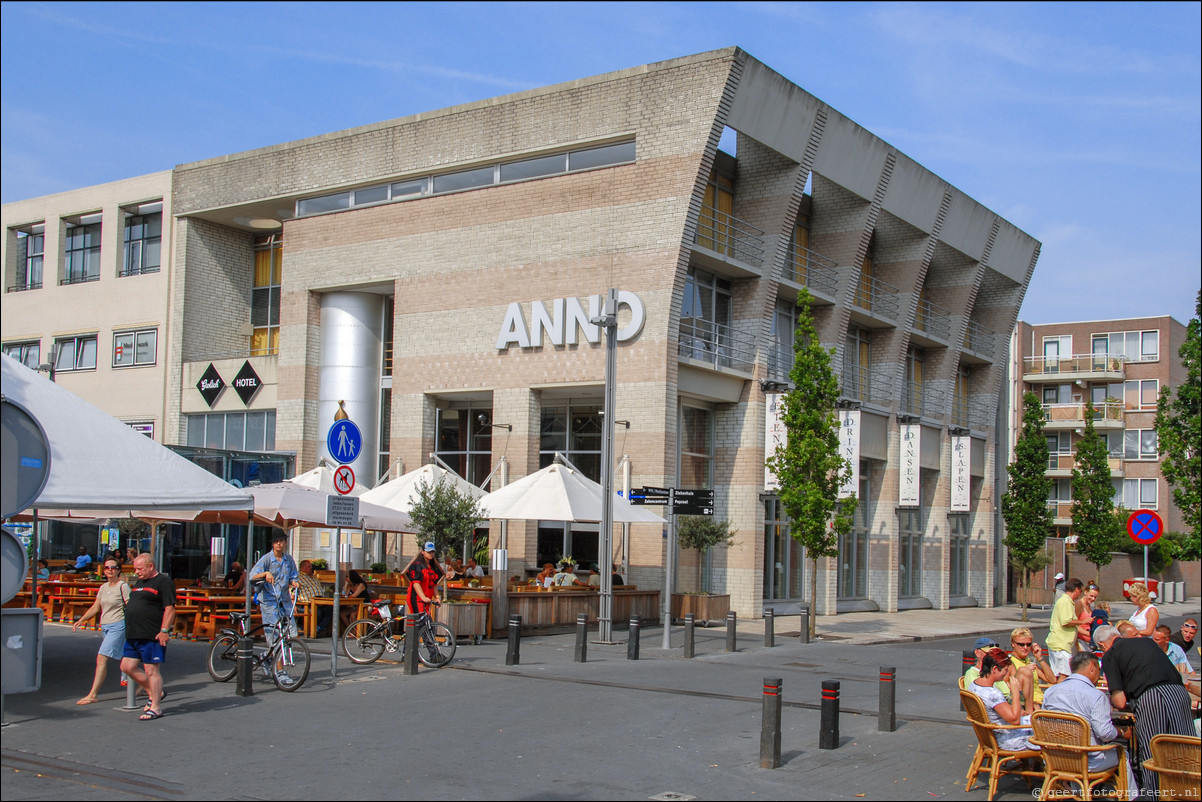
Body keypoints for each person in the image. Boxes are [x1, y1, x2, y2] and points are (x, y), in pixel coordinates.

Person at [1094, 623, 1194, 794]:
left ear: (1102, 645)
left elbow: (1119, 701)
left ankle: (1155, 795)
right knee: (1185, 749)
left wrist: (1107, 699)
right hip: (1179, 693)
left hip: (1151, 697)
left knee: (1153, 753)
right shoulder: (1147, 642)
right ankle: (1189, 792)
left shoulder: (1111, 655)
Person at [1041, 651, 1133, 778]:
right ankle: (1131, 797)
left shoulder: (1050, 692)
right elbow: (1104, 733)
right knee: (1123, 753)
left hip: (1054, 758)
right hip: (1087, 761)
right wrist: (1121, 731)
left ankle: (1078, 789)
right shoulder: (1095, 696)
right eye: (1098, 670)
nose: (1099, 675)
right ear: (1092, 666)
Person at [120, 554, 175, 721]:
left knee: (151, 669)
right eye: (135, 569)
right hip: (133, 633)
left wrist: (164, 630)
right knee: (126, 666)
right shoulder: (139, 583)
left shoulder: (163, 582)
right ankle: (154, 692)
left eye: (140, 569)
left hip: (151, 634)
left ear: (151, 566)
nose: (137, 572)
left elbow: (170, 608)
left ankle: (156, 707)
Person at [72, 557, 131, 705]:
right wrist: (81, 619)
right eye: (107, 568)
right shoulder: (103, 587)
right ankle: (145, 686)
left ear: (119, 570)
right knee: (125, 658)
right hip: (105, 626)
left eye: (113, 568)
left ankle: (92, 694)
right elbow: (96, 607)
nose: (110, 570)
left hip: (118, 625)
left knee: (101, 658)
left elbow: (130, 606)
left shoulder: (123, 586)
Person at [967, 648, 1038, 751]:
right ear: (995, 669)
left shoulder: (974, 685)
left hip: (990, 735)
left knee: (1036, 721)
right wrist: (1015, 692)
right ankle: (1047, 762)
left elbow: (995, 709)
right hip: (1005, 738)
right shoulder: (993, 694)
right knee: (1044, 728)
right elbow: (1015, 720)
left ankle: (1035, 763)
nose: (1006, 674)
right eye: (1005, 670)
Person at [250, 532, 299, 655]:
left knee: (292, 633)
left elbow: (293, 575)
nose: (279, 544)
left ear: (285, 543)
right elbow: (252, 576)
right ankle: (279, 670)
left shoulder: (289, 559)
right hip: (269, 602)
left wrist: (294, 582)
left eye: (281, 541)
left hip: (285, 602)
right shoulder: (266, 559)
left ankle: (267, 657)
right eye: (276, 541)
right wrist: (265, 573)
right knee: (275, 636)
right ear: (272, 543)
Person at [1008, 627, 1056, 714]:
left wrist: (1039, 658)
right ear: (1013, 644)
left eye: (1028, 644)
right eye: (1021, 644)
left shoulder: (1029, 662)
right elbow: (1005, 689)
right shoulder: (1010, 663)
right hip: (1031, 706)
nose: (1025, 648)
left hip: (1043, 702)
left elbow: (1052, 680)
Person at [1047, 577, 1084, 681]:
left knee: (1058, 676)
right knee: (1065, 675)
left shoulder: (1068, 602)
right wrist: (1083, 622)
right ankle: (1058, 696)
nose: (1080, 594)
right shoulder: (1065, 601)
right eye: (1080, 591)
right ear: (1076, 589)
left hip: (1061, 645)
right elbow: (1066, 621)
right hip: (1060, 645)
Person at [964, 636, 1015, 704]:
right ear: (977, 653)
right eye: (988, 654)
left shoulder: (994, 673)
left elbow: (1006, 692)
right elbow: (977, 699)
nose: (991, 657)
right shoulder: (972, 674)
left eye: (993, 654)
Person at [405, 542, 444, 615]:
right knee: (418, 622)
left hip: (427, 599)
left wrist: (437, 597)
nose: (431, 554)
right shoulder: (417, 565)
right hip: (417, 598)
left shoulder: (432, 567)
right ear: (422, 552)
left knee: (427, 622)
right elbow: (416, 583)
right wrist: (423, 597)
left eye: (432, 552)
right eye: (428, 552)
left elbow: (434, 584)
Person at [295, 559, 328, 636]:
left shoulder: (313, 577)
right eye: (309, 566)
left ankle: (318, 628)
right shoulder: (298, 577)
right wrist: (294, 603)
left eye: (311, 566)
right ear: (302, 567)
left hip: (321, 601)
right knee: (317, 612)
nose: (311, 568)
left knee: (331, 609)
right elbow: (292, 591)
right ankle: (314, 630)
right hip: (307, 603)